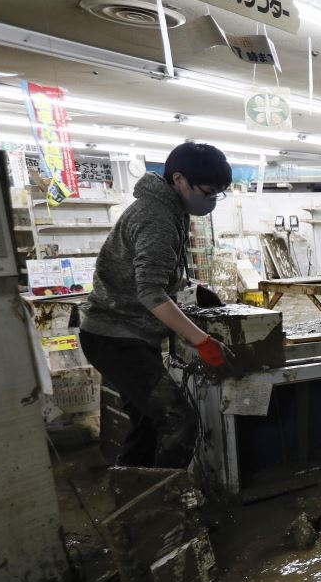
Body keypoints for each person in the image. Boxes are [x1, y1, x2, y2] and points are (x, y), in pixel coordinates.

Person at [79, 142, 233, 468]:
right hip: (115, 338)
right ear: (179, 179)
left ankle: (135, 496)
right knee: (179, 422)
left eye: (219, 194)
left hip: (125, 333)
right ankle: (165, 503)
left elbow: (156, 277)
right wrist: (202, 341)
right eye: (208, 192)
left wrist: (192, 290)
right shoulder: (158, 217)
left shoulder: (168, 209)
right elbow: (151, 293)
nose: (212, 201)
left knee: (149, 423)